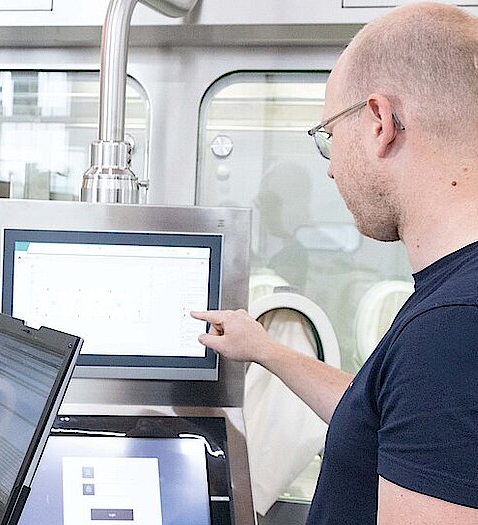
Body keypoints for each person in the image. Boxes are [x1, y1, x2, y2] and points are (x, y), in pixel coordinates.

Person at [192, 3, 478, 524]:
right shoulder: (452, 304)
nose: (330, 171)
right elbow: (385, 421)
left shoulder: (452, 327)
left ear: (379, 122)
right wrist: (264, 350)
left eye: (329, 136)